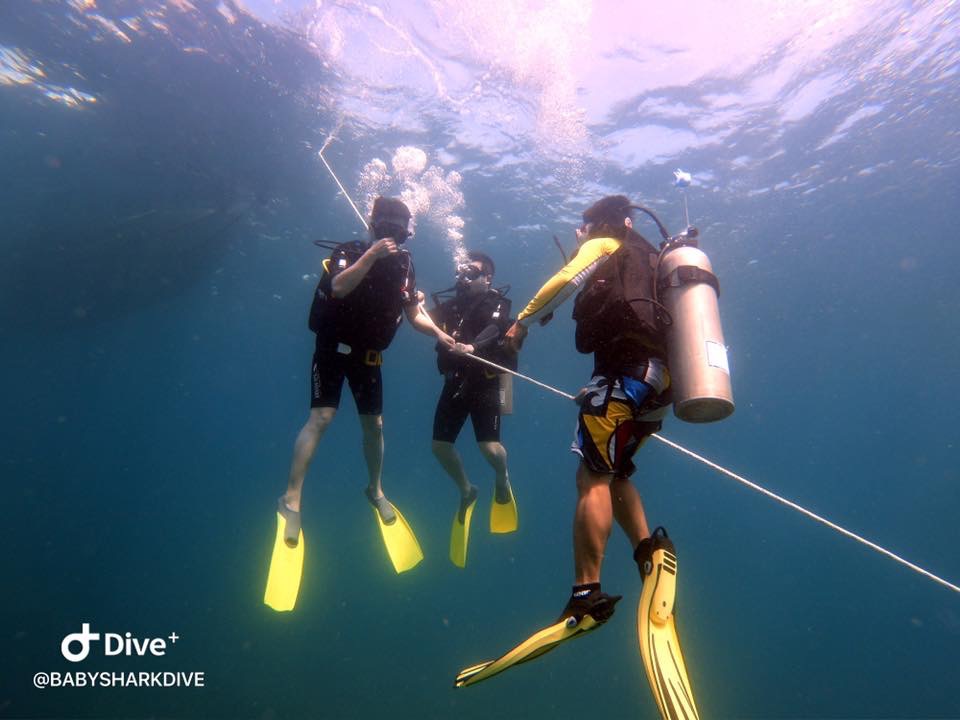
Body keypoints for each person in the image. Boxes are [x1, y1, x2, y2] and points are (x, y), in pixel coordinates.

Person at [453, 196, 699, 717]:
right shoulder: (653, 258)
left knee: (591, 478)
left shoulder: (607, 244)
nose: (580, 231)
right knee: (616, 471)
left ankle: (585, 595)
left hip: (624, 377)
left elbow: (562, 282)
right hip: (662, 383)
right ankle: (650, 553)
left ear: (600, 224)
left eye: (584, 224)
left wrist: (520, 322)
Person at [277, 196, 454, 559]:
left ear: (407, 233)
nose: (392, 233)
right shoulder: (351, 250)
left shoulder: (405, 265)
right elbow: (339, 287)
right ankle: (291, 499)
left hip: (368, 358)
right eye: (385, 226)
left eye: (398, 229)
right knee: (322, 416)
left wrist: (440, 334)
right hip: (332, 349)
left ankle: (374, 490)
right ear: (372, 225)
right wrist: (371, 255)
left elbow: (413, 314)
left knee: (374, 426)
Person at [428, 251, 517, 567]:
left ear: (487, 278)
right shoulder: (451, 306)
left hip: (492, 382)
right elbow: (424, 319)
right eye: (462, 272)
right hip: (456, 381)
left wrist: (472, 347)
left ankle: (502, 476)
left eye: (472, 272)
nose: (464, 278)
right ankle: (467, 489)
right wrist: (410, 301)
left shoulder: (498, 303)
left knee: (489, 447)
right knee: (439, 446)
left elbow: (495, 330)